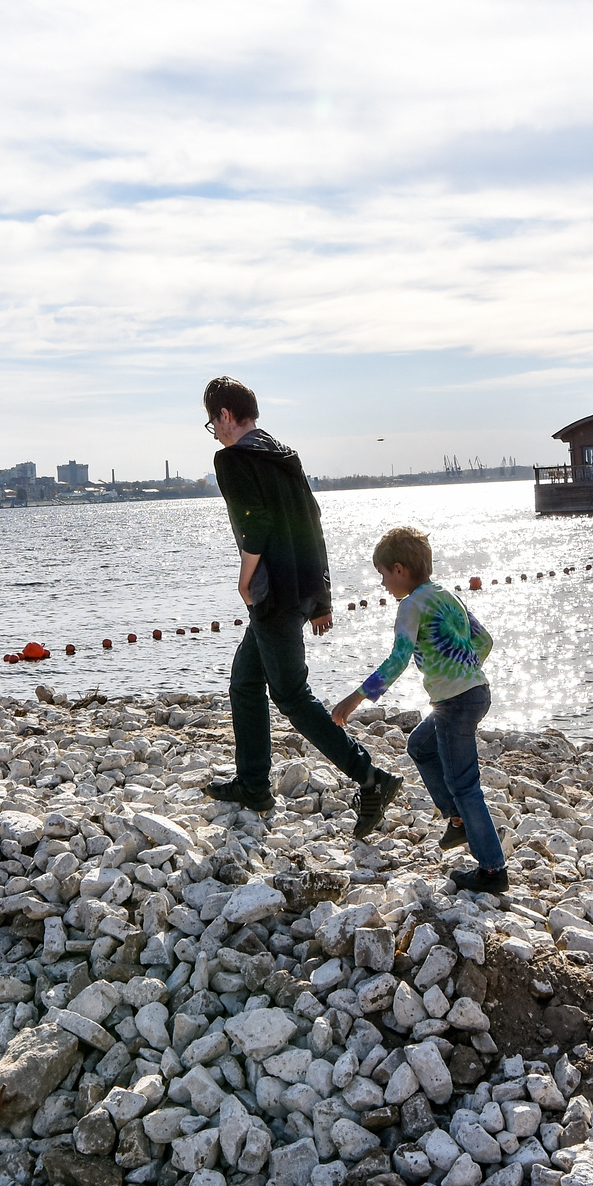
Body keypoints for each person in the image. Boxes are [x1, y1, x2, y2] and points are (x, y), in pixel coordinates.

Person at [203, 375, 404, 837]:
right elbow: (310, 521)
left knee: (291, 694)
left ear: (226, 416)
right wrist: (321, 598)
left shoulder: (232, 458)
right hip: (300, 590)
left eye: (213, 421)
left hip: (272, 595)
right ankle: (253, 783)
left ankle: (371, 779)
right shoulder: (284, 454)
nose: (214, 431)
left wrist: (245, 576)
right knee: (246, 681)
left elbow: (257, 525)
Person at [330, 526, 506, 894]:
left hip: (455, 702)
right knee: (420, 745)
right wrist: (465, 669)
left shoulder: (411, 606)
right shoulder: (447, 595)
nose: (382, 584)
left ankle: (492, 870)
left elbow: (397, 660)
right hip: (475, 692)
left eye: (382, 575)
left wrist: (354, 699)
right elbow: (484, 640)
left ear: (399, 569)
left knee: (464, 784)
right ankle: (456, 820)